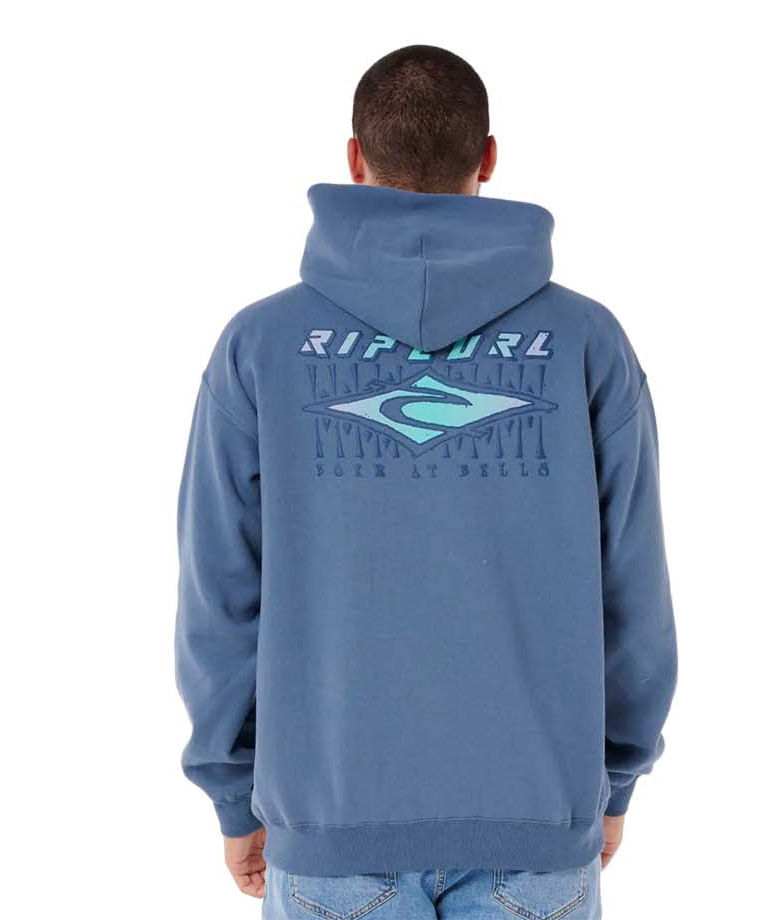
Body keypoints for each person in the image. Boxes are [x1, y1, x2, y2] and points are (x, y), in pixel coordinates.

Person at [175, 44, 677, 919]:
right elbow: (632, 587)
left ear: (354, 159)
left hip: (331, 828)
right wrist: (614, 778)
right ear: (488, 157)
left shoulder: (260, 347)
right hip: (535, 824)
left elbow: (218, 593)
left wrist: (233, 790)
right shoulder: (585, 343)